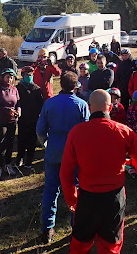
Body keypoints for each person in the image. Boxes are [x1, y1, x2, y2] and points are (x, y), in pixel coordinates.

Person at [60, 89, 137, 253]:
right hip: (113, 199)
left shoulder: (76, 132)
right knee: (110, 247)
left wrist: (71, 199)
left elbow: (66, 172)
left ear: (89, 107)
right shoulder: (123, 131)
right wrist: (131, 164)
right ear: (110, 108)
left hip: (87, 198)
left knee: (80, 245)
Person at [36, 71, 90, 244]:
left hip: (53, 152)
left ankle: (47, 229)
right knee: (75, 190)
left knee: (51, 190)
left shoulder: (50, 103)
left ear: (61, 85)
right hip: (74, 155)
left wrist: (45, 143)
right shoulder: (81, 105)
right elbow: (86, 131)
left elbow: (40, 130)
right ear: (75, 86)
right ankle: (76, 226)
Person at [0, 68, 21, 180]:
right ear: (2, 78)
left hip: (12, 120)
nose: (9, 79)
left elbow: (18, 102)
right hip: (1, 120)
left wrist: (19, 111)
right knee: (2, 143)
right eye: (7, 77)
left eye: (11, 77)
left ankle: (8, 164)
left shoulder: (14, 89)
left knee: (10, 143)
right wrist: (6, 110)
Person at [15, 66, 43, 168]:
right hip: (22, 119)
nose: (29, 76)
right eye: (27, 75)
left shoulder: (36, 88)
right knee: (22, 139)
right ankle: (20, 158)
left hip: (33, 118)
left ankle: (29, 159)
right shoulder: (18, 88)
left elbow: (40, 104)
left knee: (32, 140)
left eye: (31, 74)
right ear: (23, 76)